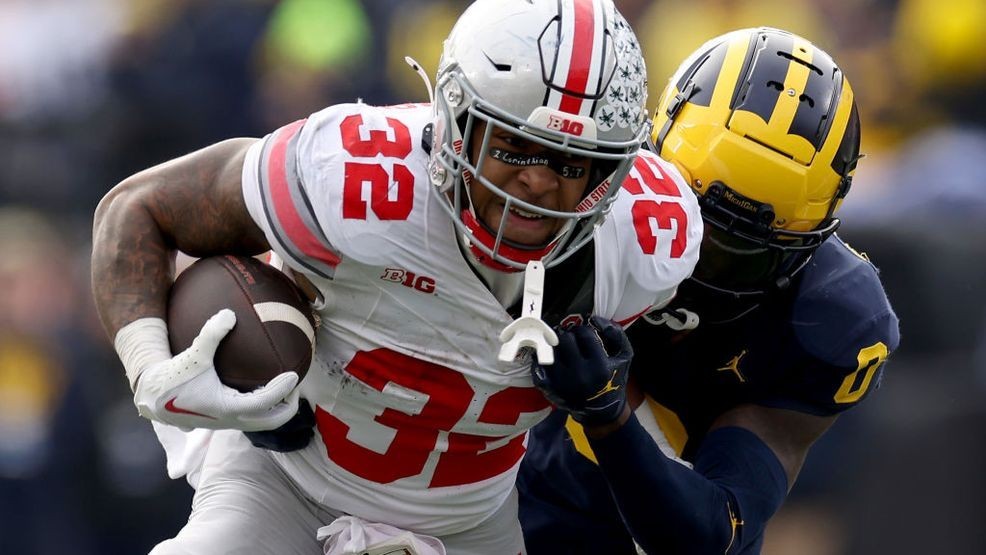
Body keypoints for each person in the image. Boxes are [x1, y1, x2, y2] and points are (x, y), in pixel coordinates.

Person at [90, 1, 703, 553]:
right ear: (457, 122)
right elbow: (139, 208)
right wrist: (149, 366)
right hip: (288, 486)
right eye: (515, 148)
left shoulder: (647, 242)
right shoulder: (354, 177)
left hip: (471, 520)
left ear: (619, 166)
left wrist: (607, 400)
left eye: (572, 161)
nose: (539, 182)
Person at [517, 27, 900, 554]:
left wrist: (607, 414)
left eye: (737, 252)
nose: (692, 261)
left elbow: (714, 534)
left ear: (802, 248)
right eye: (685, 217)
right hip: (502, 489)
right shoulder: (582, 188)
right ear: (646, 162)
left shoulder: (828, 320)